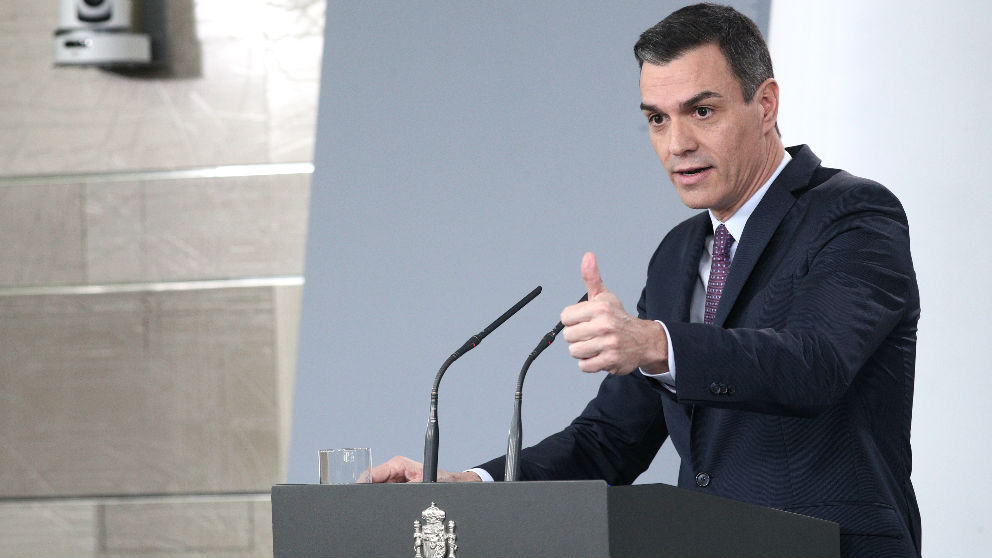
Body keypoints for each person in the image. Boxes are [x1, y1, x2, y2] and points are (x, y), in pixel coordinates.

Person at [373, 4, 921, 557]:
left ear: (766, 105)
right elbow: (608, 441)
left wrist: (656, 342)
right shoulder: (677, 254)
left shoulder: (853, 214)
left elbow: (813, 365)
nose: (676, 143)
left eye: (701, 111)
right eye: (657, 118)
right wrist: (474, 487)